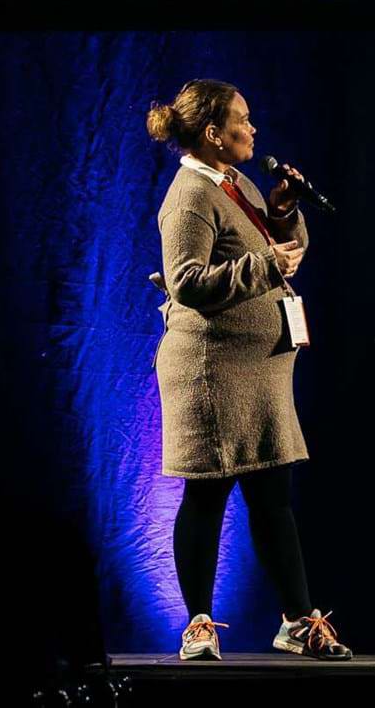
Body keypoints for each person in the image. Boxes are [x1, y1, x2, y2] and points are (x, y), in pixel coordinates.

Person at [146, 79, 350, 660]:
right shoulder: (190, 195)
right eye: (243, 120)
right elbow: (186, 282)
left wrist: (282, 211)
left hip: (259, 371)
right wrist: (264, 266)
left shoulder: (235, 183)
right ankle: (199, 624)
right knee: (207, 494)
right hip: (212, 371)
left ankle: (297, 621)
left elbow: (279, 251)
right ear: (214, 133)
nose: (253, 129)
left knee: (272, 495)